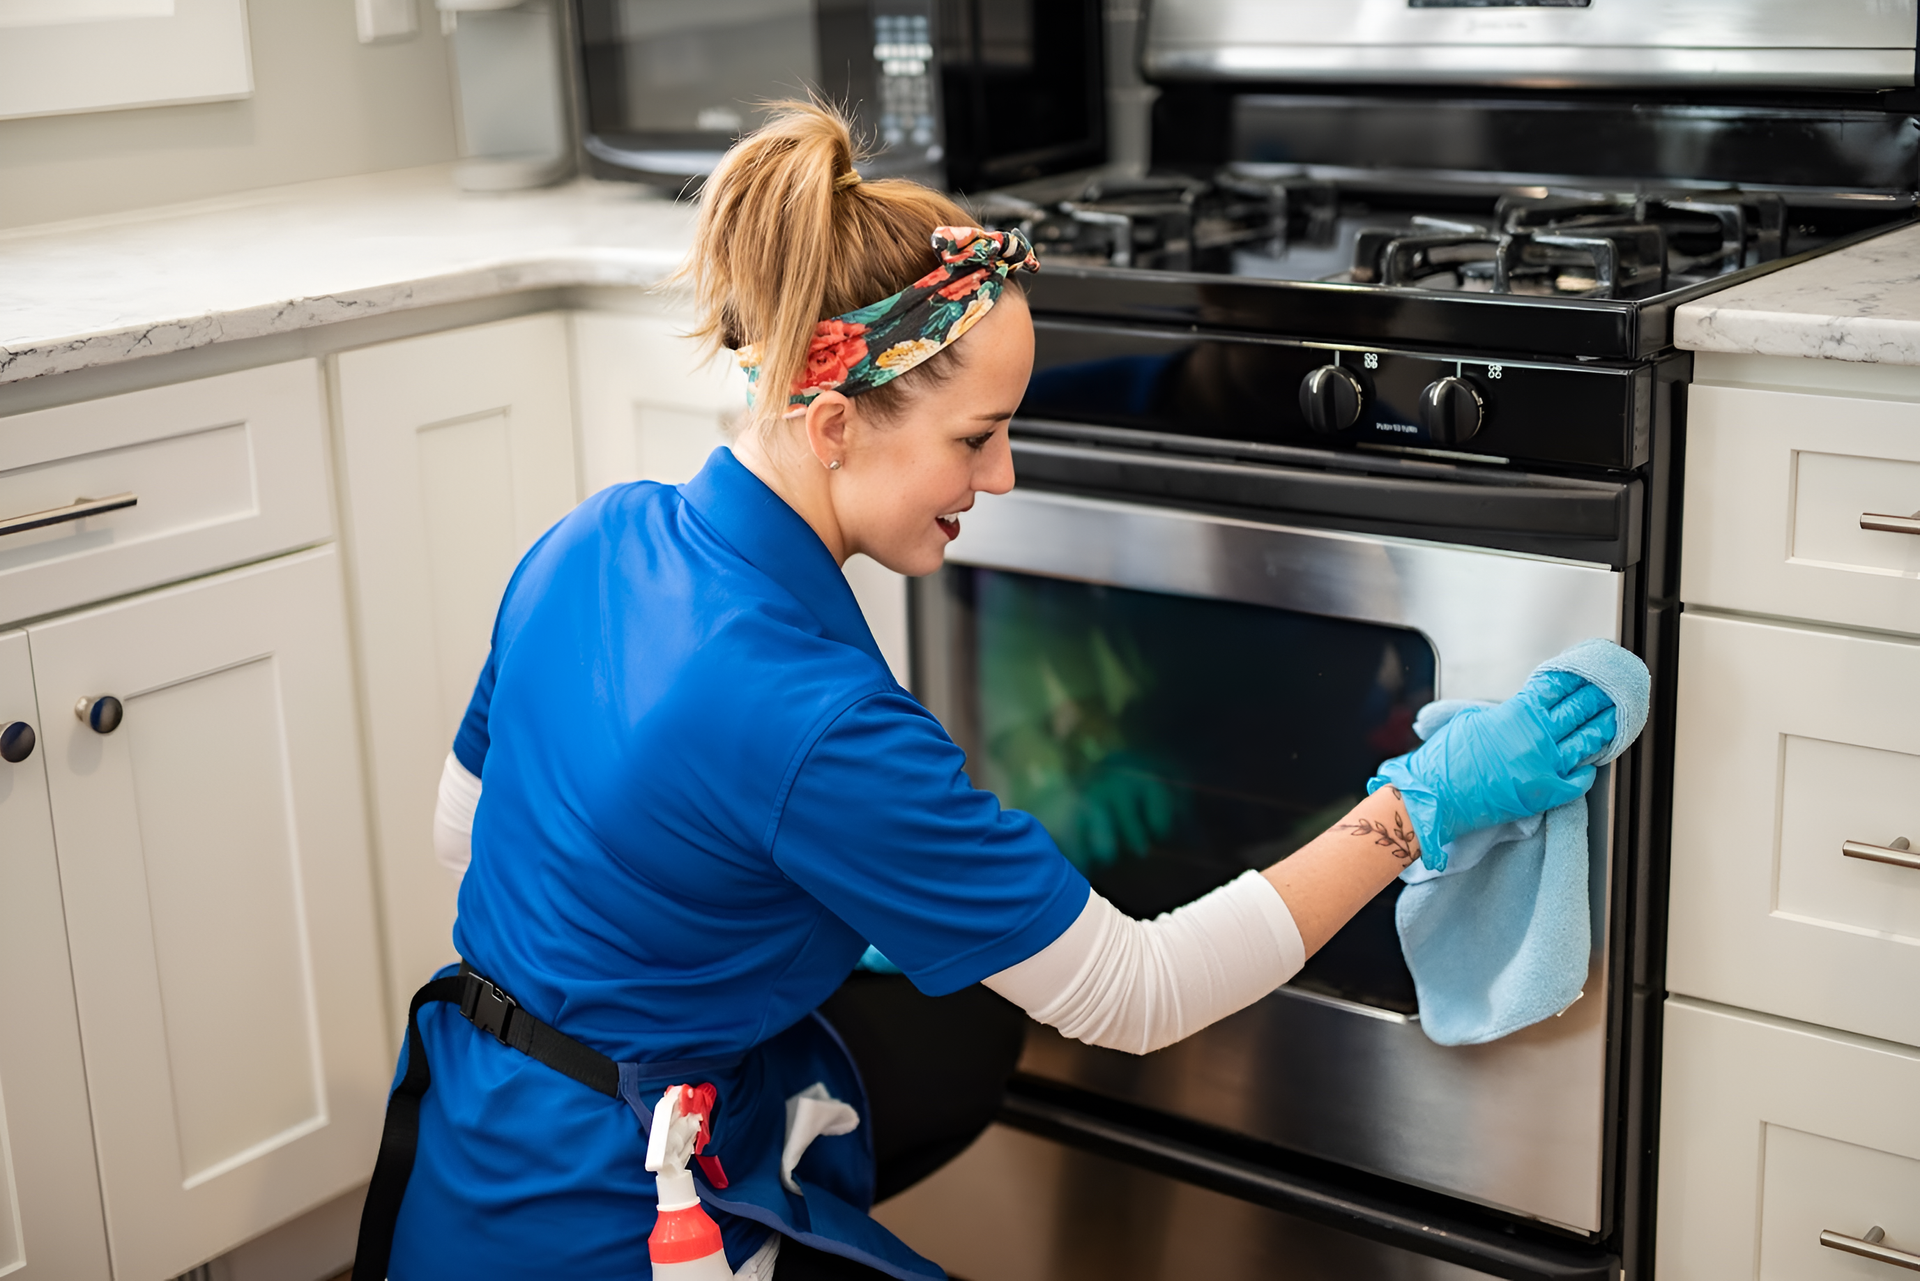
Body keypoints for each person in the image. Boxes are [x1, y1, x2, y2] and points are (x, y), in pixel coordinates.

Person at [356, 102, 1618, 1281]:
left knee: (964, 1031)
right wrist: (1416, 808)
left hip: (478, 1131)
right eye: (975, 437)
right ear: (836, 420)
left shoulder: (601, 530)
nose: (1004, 475)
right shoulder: (818, 722)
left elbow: (464, 832)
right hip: (603, 1220)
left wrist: (717, 901)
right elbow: (1134, 994)